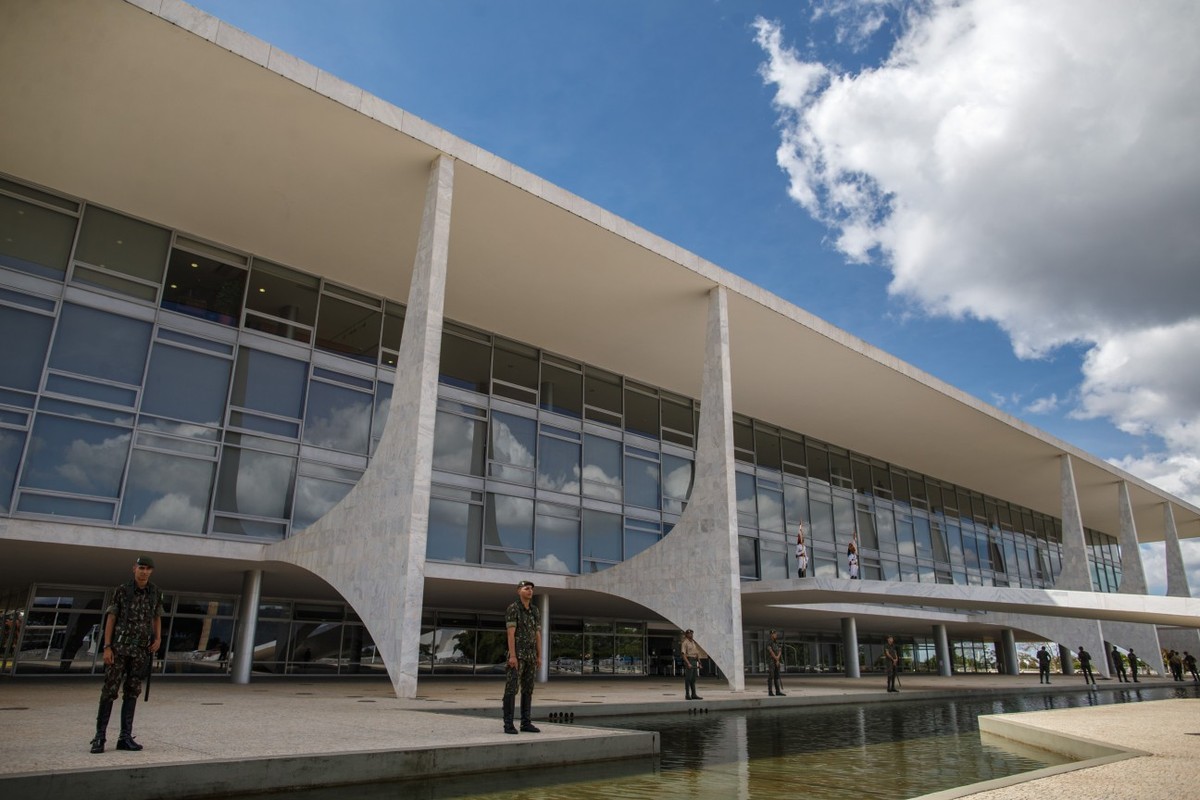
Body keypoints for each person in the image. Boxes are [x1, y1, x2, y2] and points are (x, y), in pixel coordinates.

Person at [89, 556, 163, 754]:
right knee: (109, 691)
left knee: (132, 692)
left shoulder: (155, 592)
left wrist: (158, 639)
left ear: (151, 571)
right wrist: (107, 646)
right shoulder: (122, 590)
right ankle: (99, 737)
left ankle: (125, 737)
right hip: (119, 648)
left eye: (148, 568)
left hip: (140, 650)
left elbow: (156, 616)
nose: (144, 571)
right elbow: (111, 617)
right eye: (141, 567)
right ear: (134, 569)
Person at [502, 579, 542, 734]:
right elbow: (510, 633)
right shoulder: (513, 609)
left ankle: (526, 723)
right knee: (511, 688)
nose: (530, 591)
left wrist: (539, 655)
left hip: (531, 656)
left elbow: (537, 633)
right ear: (519, 591)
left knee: (528, 688)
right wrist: (512, 656)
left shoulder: (535, 611)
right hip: (517, 656)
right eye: (526, 588)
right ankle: (508, 724)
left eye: (531, 588)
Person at [681, 629, 703, 700]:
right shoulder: (685, 643)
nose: (691, 635)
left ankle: (694, 694)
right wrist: (688, 663)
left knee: (693, 679)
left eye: (692, 634)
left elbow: (696, 653)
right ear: (686, 634)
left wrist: (699, 662)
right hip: (689, 660)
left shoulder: (693, 642)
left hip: (694, 661)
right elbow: (683, 655)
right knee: (688, 679)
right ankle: (687, 695)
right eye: (690, 634)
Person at [766, 630, 786, 696]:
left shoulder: (776, 642)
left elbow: (780, 650)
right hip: (771, 661)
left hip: (777, 661)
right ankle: (770, 691)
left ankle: (778, 691)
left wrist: (777, 659)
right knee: (771, 676)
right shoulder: (769, 642)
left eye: (775, 633)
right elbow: (771, 651)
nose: (775, 635)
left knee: (777, 676)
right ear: (771, 634)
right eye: (774, 634)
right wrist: (776, 658)